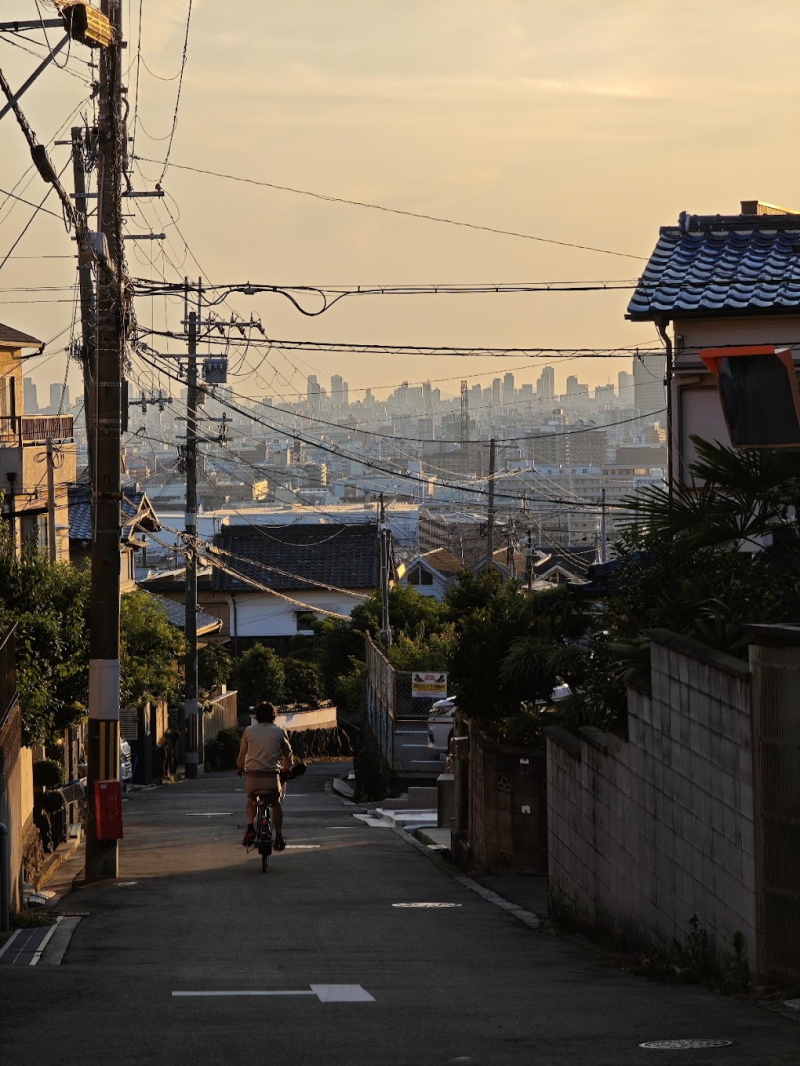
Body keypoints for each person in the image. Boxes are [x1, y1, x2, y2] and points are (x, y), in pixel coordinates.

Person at [236, 701, 292, 850]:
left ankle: (250, 828)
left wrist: (240, 768)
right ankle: (279, 836)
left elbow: (242, 754)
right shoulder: (280, 731)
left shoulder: (248, 731)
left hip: (253, 777)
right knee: (275, 803)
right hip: (272, 778)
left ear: (257, 716)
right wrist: (287, 769)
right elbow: (288, 755)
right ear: (274, 715)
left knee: (252, 799)